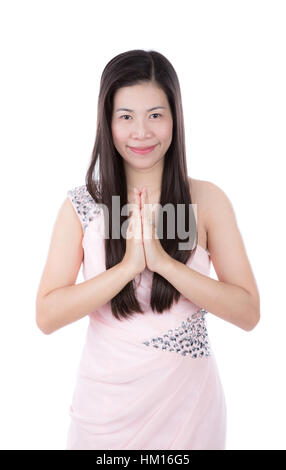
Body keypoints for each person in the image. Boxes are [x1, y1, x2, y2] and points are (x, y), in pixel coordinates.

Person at [35, 49, 260, 450]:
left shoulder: (207, 201)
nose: (141, 132)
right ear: (107, 121)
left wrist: (164, 263)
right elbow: (47, 316)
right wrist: (127, 268)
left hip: (189, 412)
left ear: (175, 118)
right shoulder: (81, 205)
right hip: (104, 413)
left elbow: (247, 312)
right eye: (126, 116)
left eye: (155, 115)